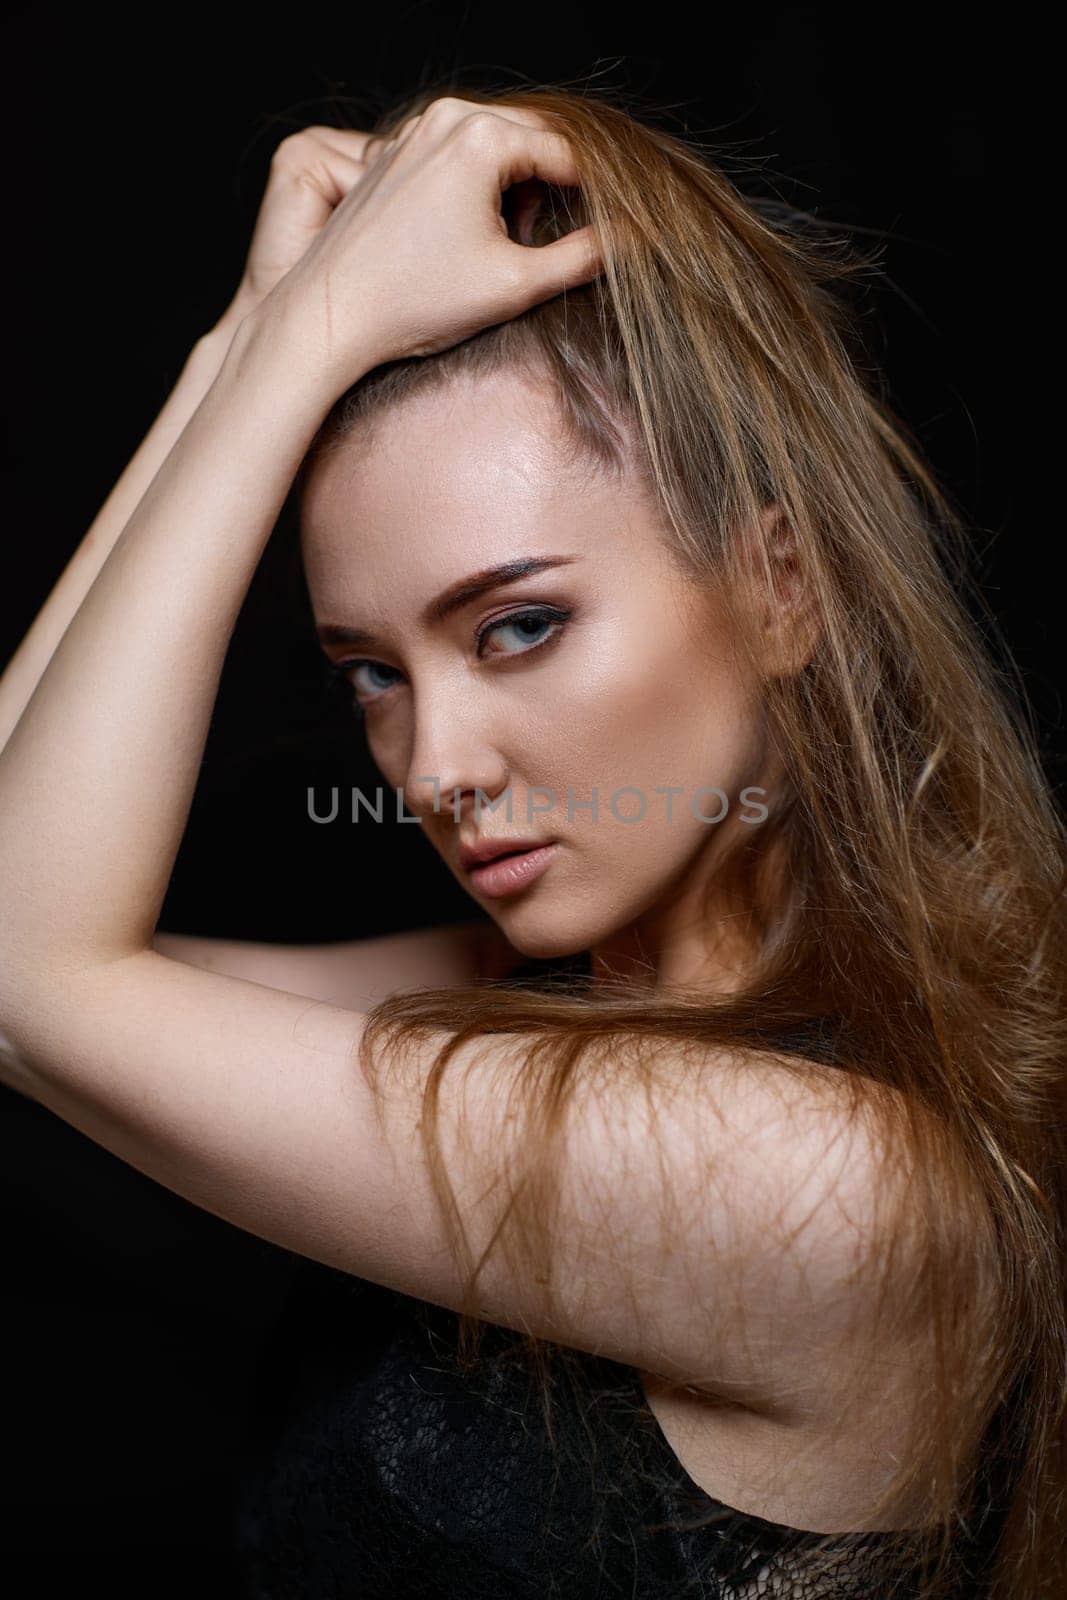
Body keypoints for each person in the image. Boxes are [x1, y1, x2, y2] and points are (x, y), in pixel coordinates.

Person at [0, 81, 1062, 1599]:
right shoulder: (522, 983)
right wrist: (242, 348)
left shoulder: (847, 1192)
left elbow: (24, 974)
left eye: (517, 627)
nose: (433, 766)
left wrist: (293, 351)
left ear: (781, 589)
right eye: (371, 672)